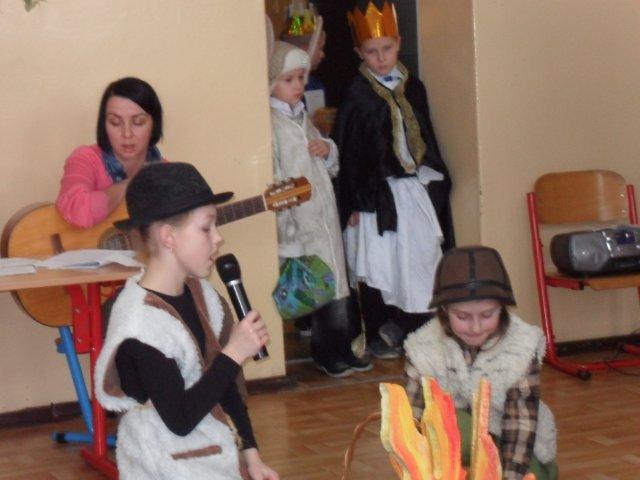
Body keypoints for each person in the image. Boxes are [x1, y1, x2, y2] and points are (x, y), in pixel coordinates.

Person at [94, 162, 279, 480]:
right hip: (161, 465)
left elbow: (224, 387)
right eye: (206, 228)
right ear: (168, 237)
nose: (218, 238)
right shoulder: (140, 322)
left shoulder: (201, 295)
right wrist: (233, 353)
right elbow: (179, 419)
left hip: (211, 453)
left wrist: (251, 456)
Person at [332, 0, 455, 359]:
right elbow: (349, 151)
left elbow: (426, 138)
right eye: (372, 52)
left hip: (414, 191)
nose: (381, 58)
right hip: (376, 197)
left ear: (398, 44)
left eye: (386, 48)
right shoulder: (357, 95)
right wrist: (353, 201)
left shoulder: (414, 88)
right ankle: (381, 328)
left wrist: (433, 180)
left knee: (419, 261)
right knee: (381, 264)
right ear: (360, 53)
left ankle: (417, 328)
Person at [404, 246, 558, 480]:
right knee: (455, 423)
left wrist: (510, 477)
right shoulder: (423, 348)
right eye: (462, 317)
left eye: (487, 315)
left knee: (537, 476)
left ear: (502, 308)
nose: (475, 328)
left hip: (510, 442)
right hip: (448, 449)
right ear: (444, 310)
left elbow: (520, 423)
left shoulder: (522, 344)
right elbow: (413, 420)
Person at [269, 40, 371, 377]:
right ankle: (327, 352)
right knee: (320, 287)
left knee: (339, 284)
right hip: (303, 220)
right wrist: (287, 229)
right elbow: (276, 179)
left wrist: (327, 149)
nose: (298, 85)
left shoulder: (302, 117)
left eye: (301, 78)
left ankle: (344, 347)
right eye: (289, 79)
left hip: (324, 214)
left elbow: (329, 163)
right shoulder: (273, 124)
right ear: (272, 81)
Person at [56, 77, 164, 229]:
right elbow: (78, 211)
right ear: (104, 125)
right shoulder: (84, 159)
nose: (127, 134)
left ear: (154, 125)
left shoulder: (168, 173)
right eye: (115, 122)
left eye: (138, 122)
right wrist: (134, 182)